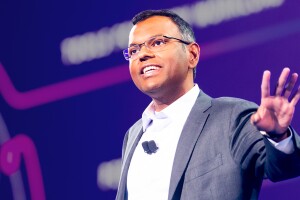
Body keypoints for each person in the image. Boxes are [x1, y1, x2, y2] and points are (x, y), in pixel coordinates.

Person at [116, 9, 300, 200]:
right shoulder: (134, 134)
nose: (142, 55)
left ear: (192, 55)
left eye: (158, 42)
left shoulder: (232, 117)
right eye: (134, 50)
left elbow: (285, 168)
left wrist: (279, 137)